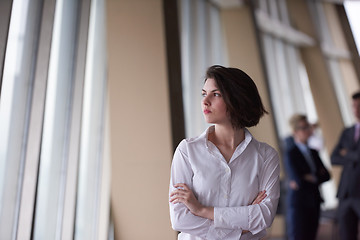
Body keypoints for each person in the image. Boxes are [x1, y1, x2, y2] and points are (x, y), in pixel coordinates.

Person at [169, 65, 280, 240]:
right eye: (204, 94)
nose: (205, 101)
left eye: (216, 94)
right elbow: (180, 219)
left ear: (237, 99)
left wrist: (201, 210)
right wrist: (241, 229)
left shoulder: (266, 156)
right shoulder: (187, 151)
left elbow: (264, 216)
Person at [284, 114, 330, 240]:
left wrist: (310, 177)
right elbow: (298, 181)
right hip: (299, 204)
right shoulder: (291, 153)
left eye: (308, 127)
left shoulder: (314, 152)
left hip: (315, 200)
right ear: (295, 132)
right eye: (304, 127)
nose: (308, 130)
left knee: (312, 236)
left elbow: (327, 175)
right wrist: (315, 176)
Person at [331, 91, 360, 240]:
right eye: (354, 106)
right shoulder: (347, 131)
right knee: (346, 235)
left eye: (358, 106)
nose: (356, 109)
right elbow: (333, 157)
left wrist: (347, 153)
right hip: (345, 193)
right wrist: (354, 156)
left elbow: (344, 155)